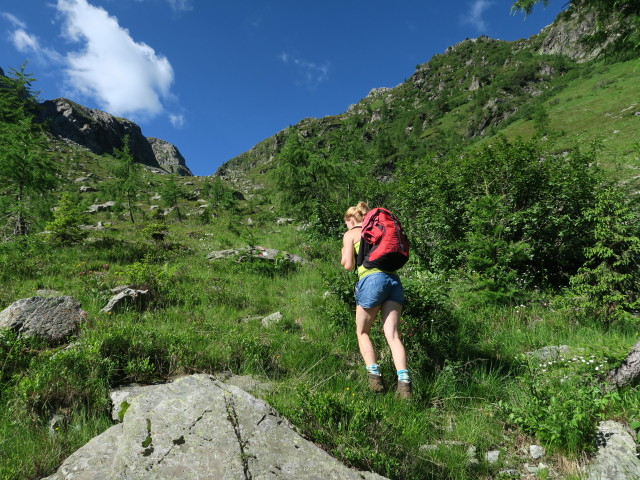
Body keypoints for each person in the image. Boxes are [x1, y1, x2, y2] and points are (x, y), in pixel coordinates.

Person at [341, 202, 411, 399]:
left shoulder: (352, 233)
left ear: (350, 219)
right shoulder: (377, 230)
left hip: (372, 281)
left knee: (362, 331)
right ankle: (404, 386)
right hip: (393, 281)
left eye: (346, 222)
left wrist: (346, 252)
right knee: (393, 335)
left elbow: (347, 265)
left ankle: (375, 380)